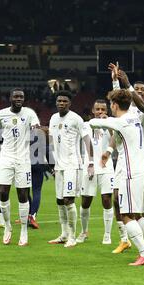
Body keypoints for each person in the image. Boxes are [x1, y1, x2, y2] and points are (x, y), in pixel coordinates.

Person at [90, 89, 144, 265]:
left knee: (126, 216)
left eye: (110, 105)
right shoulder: (136, 117)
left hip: (131, 175)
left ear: (115, 105)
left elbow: (94, 123)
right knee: (138, 215)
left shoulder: (120, 122)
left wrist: (97, 120)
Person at [103, 63, 144, 255]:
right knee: (118, 200)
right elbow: (118, 104)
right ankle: (125, 239)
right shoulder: (128, 110)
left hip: (138, 163)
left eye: (143, 90)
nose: (140, 92)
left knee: (141, 208)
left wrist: (127, 85)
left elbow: (136, 106)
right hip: (122, 162)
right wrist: (115, 81)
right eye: (138, 89)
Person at [0, 89, 40, 246]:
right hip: (6, 158)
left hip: (23, 159)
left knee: (23, 195)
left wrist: (37, 130)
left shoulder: (29, 113)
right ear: (10, 98)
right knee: (2, 193)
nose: (19, 99)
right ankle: (8, 226)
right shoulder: (1, 114)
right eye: (16, 96)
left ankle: (23, 229)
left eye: (21, 97)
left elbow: (36, 127)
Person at [48, 90, 94, 248]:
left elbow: (87, 139)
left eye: (64, 101)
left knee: (68, 200)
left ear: (70, 103)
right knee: (60, 201)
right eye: (59, 101)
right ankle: (64, 234)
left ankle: (72, 237)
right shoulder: (53, 118)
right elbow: (52, 141)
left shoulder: (76, 119)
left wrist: (91, 162)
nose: (61, 103)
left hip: (73, 165)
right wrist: (52, 161)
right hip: (59, 166)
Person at [76, 100, 114, 245]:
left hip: (106, 167)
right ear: (93, 110)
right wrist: (91, 163)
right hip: (89, 167)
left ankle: (107, 234)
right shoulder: (86, 125)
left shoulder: (112, 125)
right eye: (97, 109)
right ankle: (84, 232)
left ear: (107, 111)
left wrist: (109, 125)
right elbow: (88, 144)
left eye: (103, 109)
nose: (100, 112)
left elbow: (115, 142)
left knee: (106, 200)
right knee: (86, 202)